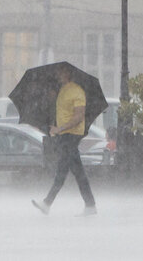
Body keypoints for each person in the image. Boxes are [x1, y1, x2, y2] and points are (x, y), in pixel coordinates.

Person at [32, 66, 96, 216]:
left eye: (60, 72)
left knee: (62, 171)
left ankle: (47, 202)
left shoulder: (77, 91)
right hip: (65, 135)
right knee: (78, 172)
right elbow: (63, 111)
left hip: (71, 135)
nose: (57, 74)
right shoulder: (62, 90)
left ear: (67, 73)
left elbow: (79, 116)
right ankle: (90, 205)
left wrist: (60, 129)